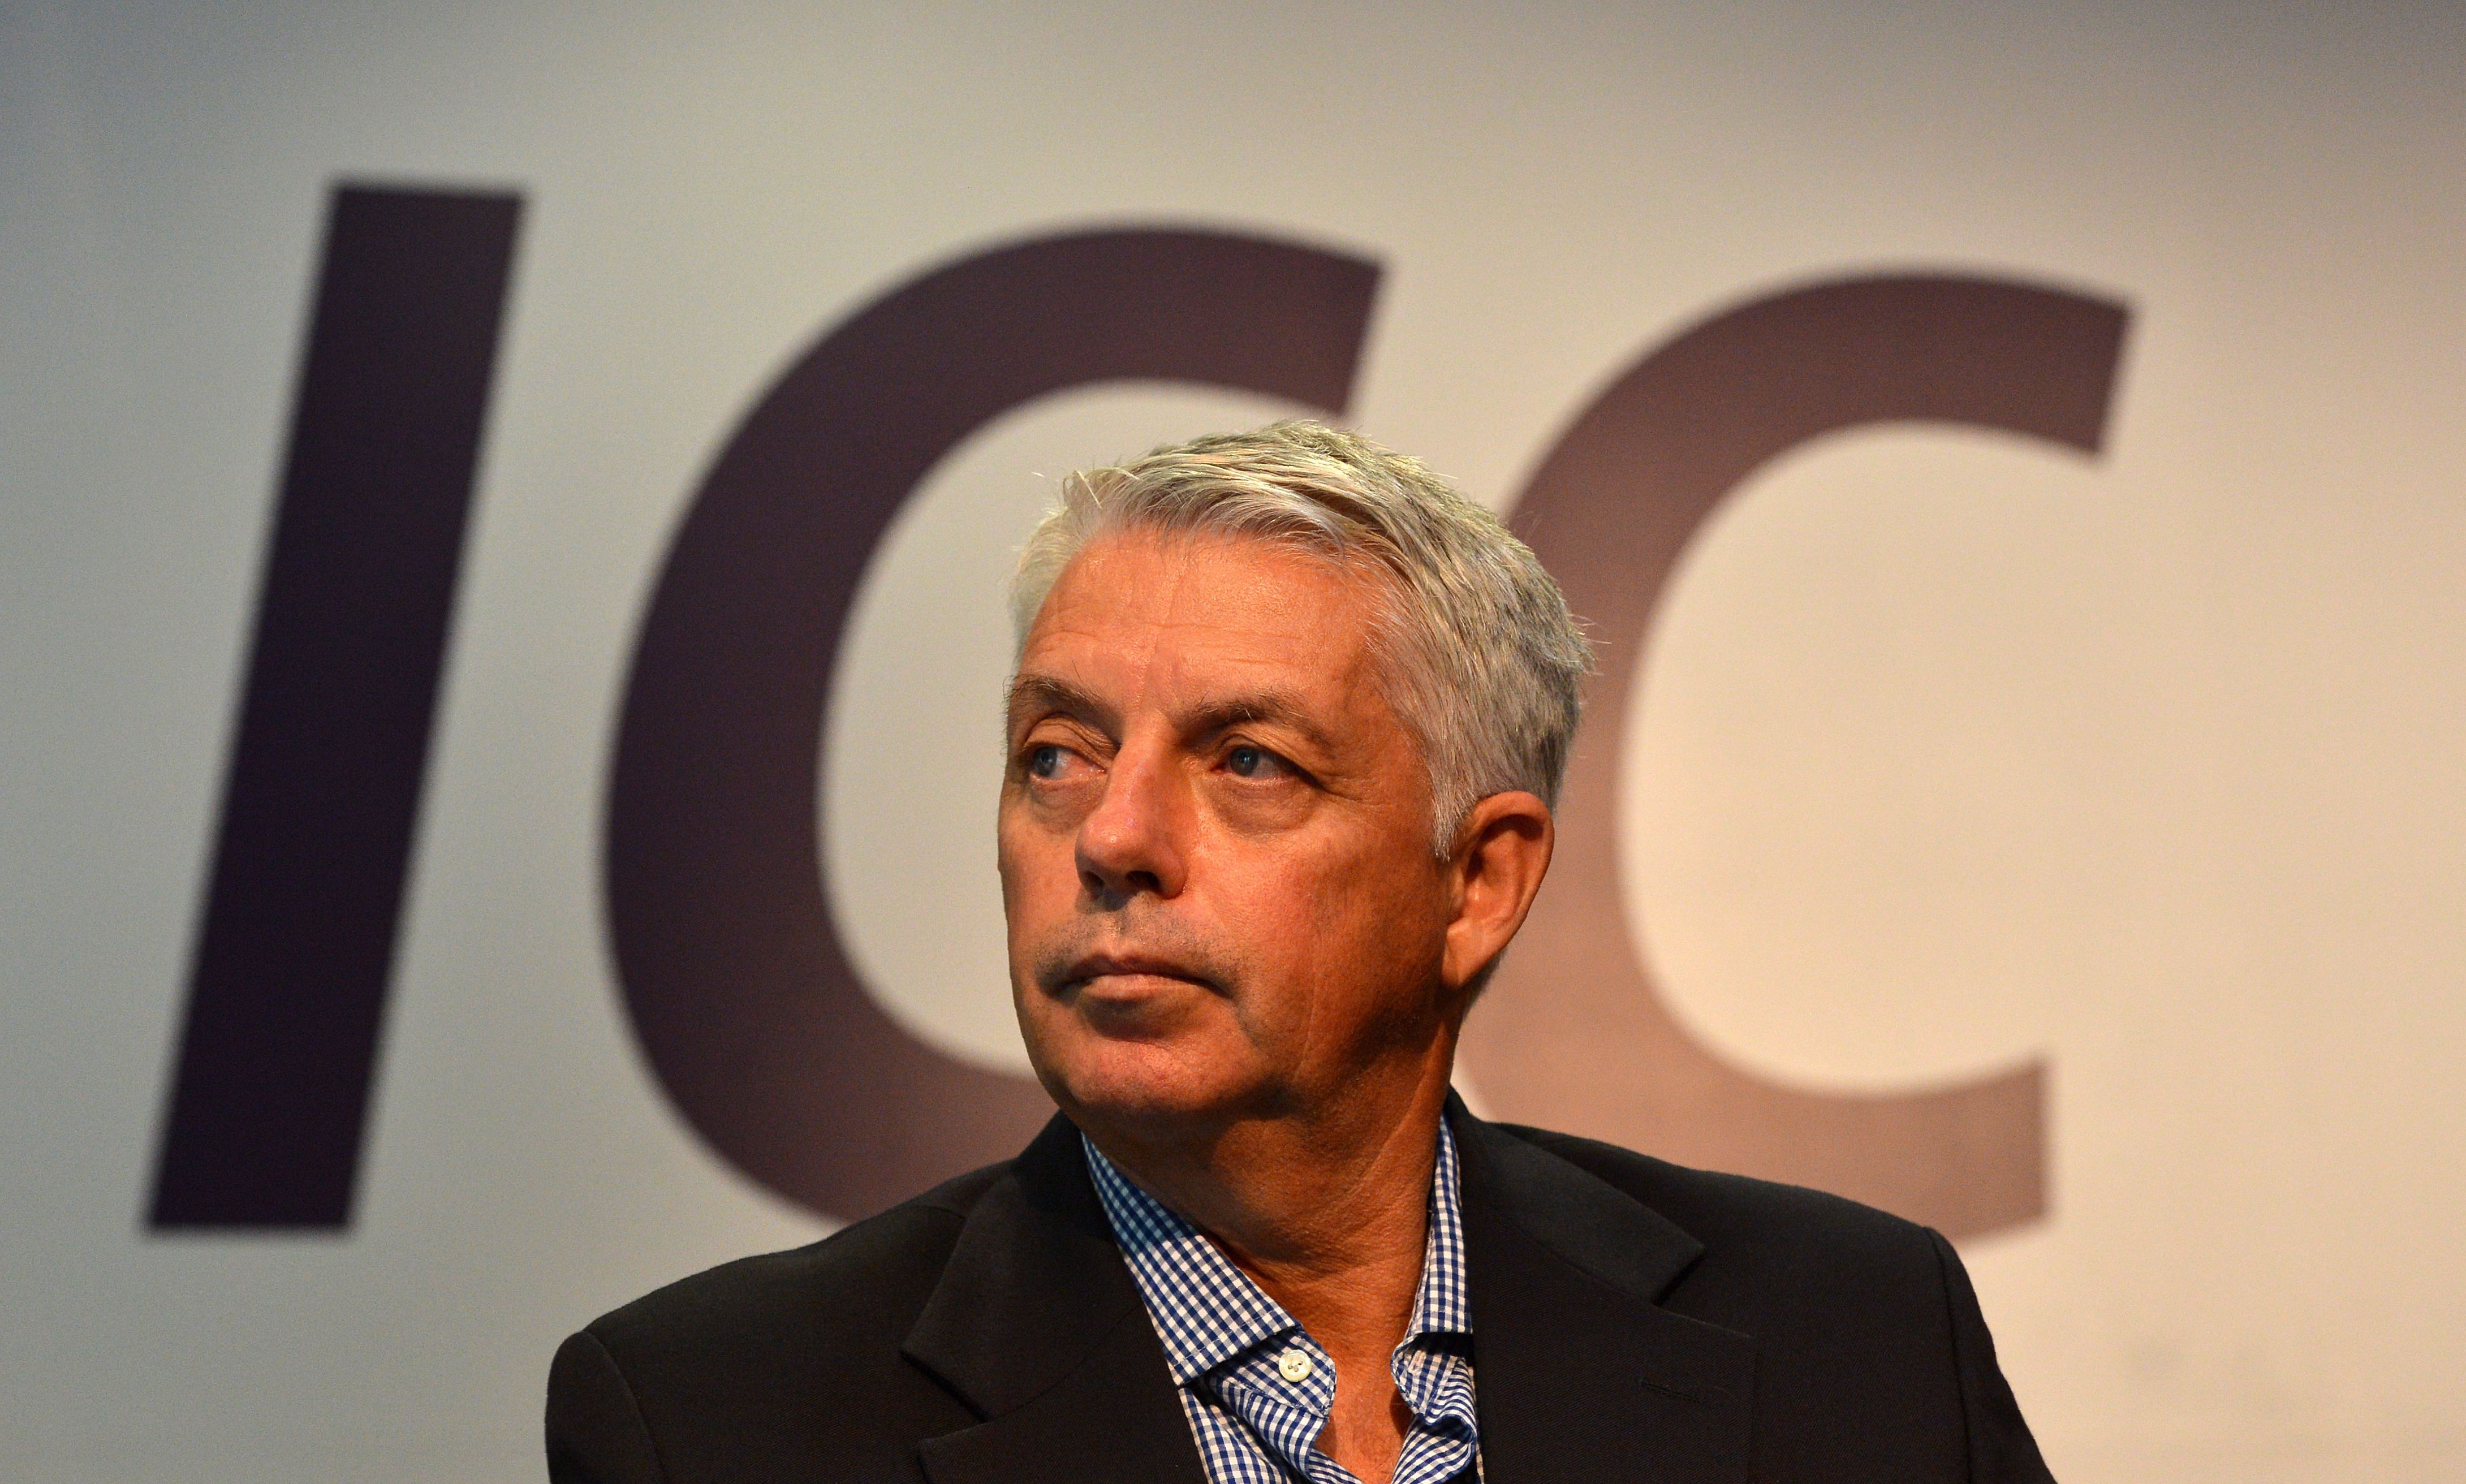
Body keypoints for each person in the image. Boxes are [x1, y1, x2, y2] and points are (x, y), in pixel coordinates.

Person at [545, 421, 2055, 1483]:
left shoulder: (1850, 1342)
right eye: (1058, 753)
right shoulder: (716, 1420)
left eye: (1251, 762)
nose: (1115, 836)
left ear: (1478, 881)